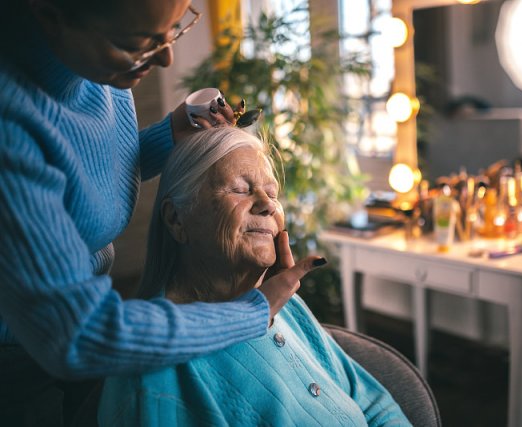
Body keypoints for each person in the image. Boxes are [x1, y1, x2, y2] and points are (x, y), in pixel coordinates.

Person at [0, 0, 320, 424]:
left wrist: (169, 136)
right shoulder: (10, 122)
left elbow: (82, 164)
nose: (165, 56)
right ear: (51, 15)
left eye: (174, 29)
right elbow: (79, 337)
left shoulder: (102, 66)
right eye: (140, 43)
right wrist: (253, 312)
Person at [98, 126, 411, 426]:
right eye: (239, 189)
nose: (267, 205)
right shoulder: (155, 374)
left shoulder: (284, 305)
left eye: (272, 193)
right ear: (177, 218)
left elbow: (376, 405)